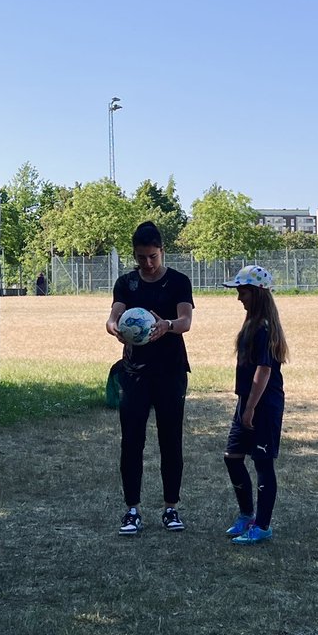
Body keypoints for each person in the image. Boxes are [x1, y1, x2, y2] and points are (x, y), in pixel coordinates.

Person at [105, 221, 194, 535]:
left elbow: (185, 321)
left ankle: (171, 509)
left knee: (171, 440)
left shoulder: (179, 281)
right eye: (141, 257)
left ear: (162, 251)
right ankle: (132, 510)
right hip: (134, 374)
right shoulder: (126, 283)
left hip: (170, 372)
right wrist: (114, 326)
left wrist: (165, 325)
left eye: (153, 256)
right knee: (131, 441)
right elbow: (113, 317)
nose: (148, 263)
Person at [221, 265, 288, 545]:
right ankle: (246, 514)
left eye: (243, 292)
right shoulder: (251, 322)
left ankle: (262, 526)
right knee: (232, 457)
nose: (239, 298)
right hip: (245, 402)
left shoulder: (264, 327)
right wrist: (242, 404)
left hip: (263, 405)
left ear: (257, 293)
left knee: (263, 464)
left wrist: (249, 409)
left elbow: (264, 372)